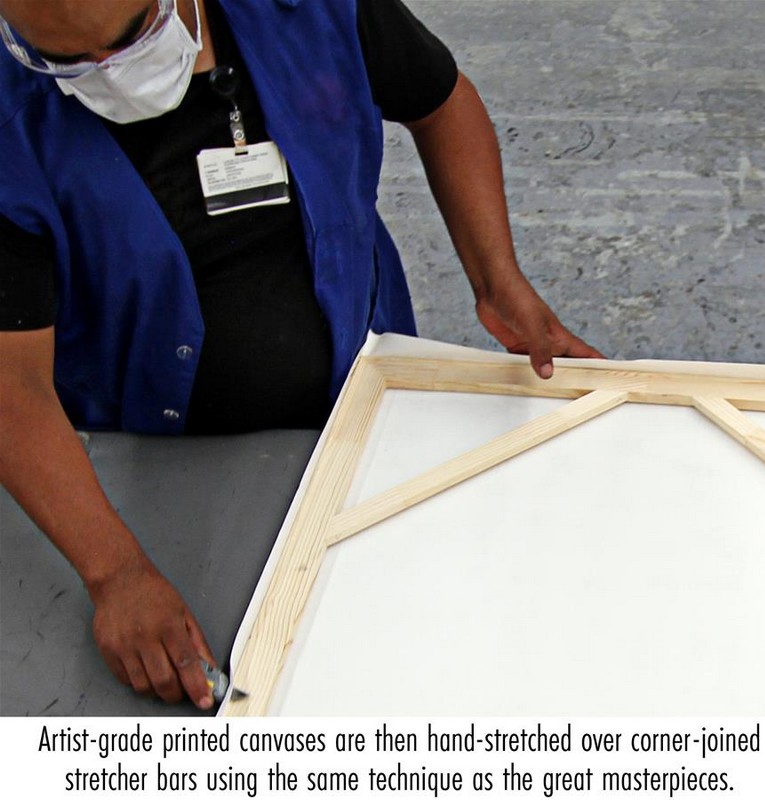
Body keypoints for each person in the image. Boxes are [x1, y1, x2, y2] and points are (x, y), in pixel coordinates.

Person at [0, 0, 602, 710]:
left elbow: (441, 103)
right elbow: (13, 385)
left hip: (365, 404)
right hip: (158, 465)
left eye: (130, 38)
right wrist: (115, 573)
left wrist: (498, 279)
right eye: (62, 60)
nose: (107, 72)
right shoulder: (12, 124)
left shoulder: (312, 10)